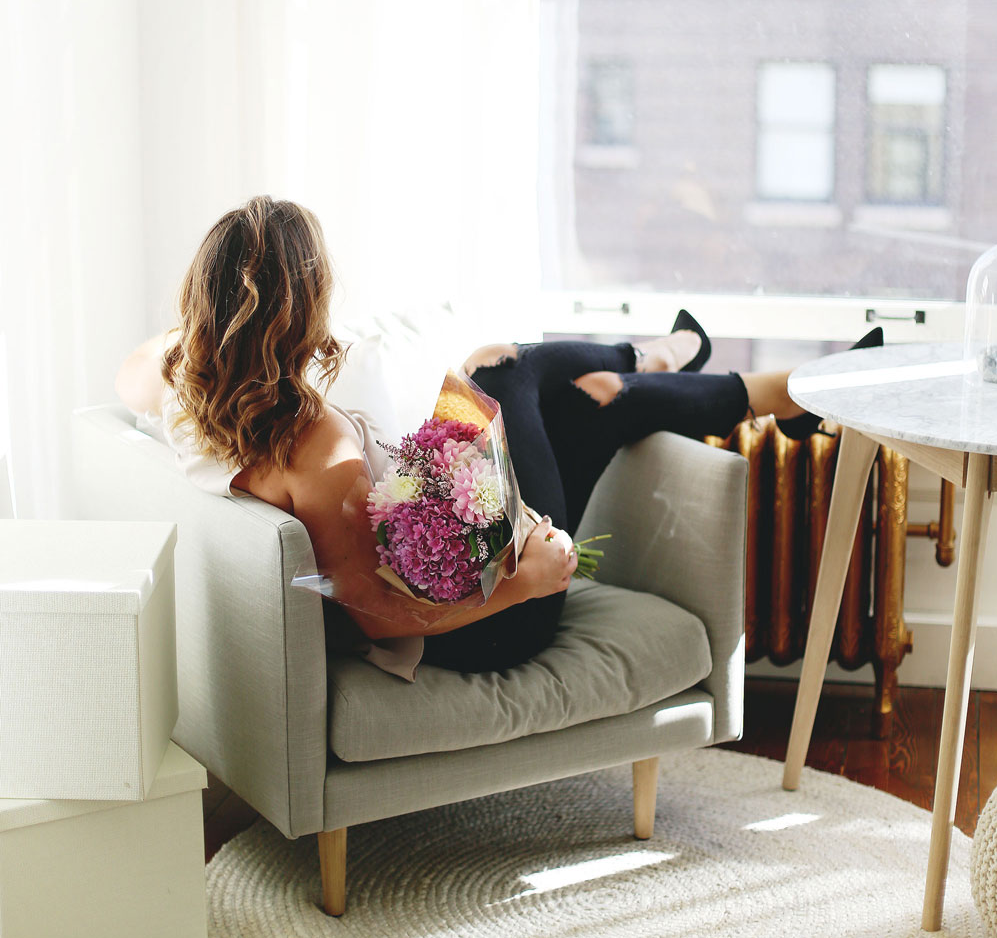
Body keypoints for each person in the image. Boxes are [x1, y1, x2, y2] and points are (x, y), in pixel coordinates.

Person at [116, 195, 874, 677]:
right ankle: (723, 375)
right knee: (507, 368)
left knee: (588, 400)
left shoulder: (181, 379)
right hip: (488, 624)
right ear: (306, 308)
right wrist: (528, 580)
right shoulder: (317, 449)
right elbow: (383, 614)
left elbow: (131, 378)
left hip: (465, 556)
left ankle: (716, 377)